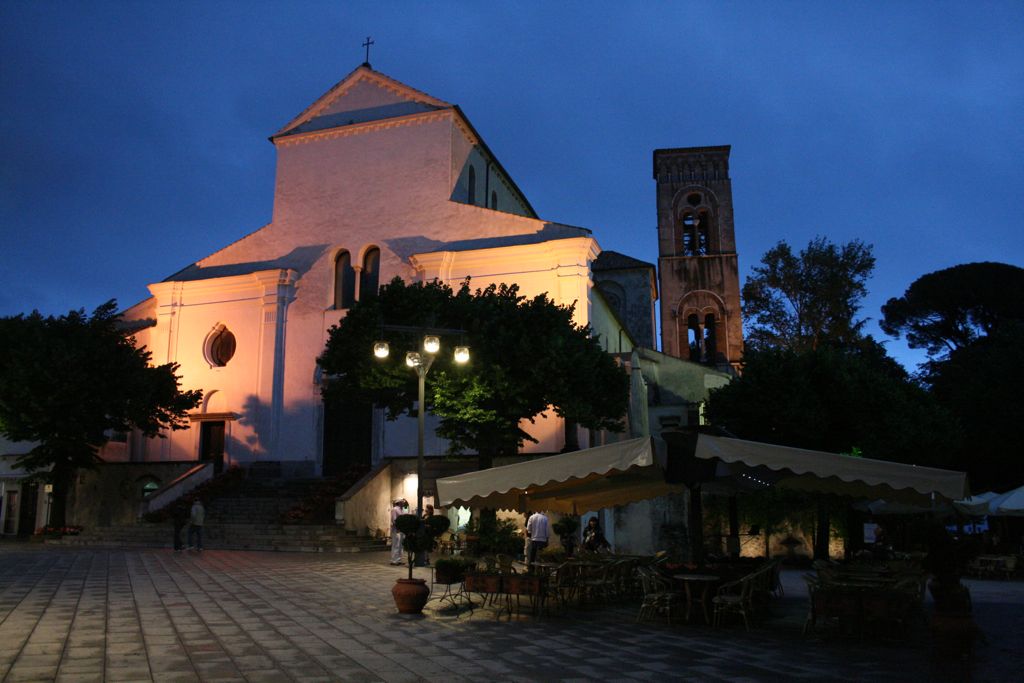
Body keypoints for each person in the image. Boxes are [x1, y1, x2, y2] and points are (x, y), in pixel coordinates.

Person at [389, 499, 406, 566]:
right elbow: (394, 519)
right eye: (402, 502)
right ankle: (394, 560)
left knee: (400, 545)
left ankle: (399, 560)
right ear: (399, 502)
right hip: (396, 530)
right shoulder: (394, 509)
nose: (404, 503)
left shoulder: (401, 510)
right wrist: (398, 527)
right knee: (396, 545)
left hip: (401, 529)